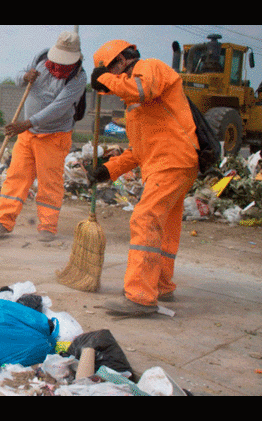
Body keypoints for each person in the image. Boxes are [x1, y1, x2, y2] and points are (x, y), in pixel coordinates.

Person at [89, 40, 199, 316]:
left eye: (112, 74)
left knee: (145, 218)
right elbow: (138, 150)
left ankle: (140, 297)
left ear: (121, 61)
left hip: (172, 161)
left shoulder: (151, 69)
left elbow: (141, 89)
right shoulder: (135, 108)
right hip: (170, 162)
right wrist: (108, 170)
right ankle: (162, 285)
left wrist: (103, 77)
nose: (112, 85)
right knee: (165, 225)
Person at [0, 31, 87, 242]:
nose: (59, 66)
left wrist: (27, 123)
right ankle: (3, 222)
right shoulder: (42, 58)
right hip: (27, 134)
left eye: (65, 63)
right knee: (16, 178)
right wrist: (25, 77)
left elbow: (59, 107)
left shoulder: (78, 78)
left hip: (54, 135)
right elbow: (18, 77)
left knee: (49, 182)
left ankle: (48, 226)